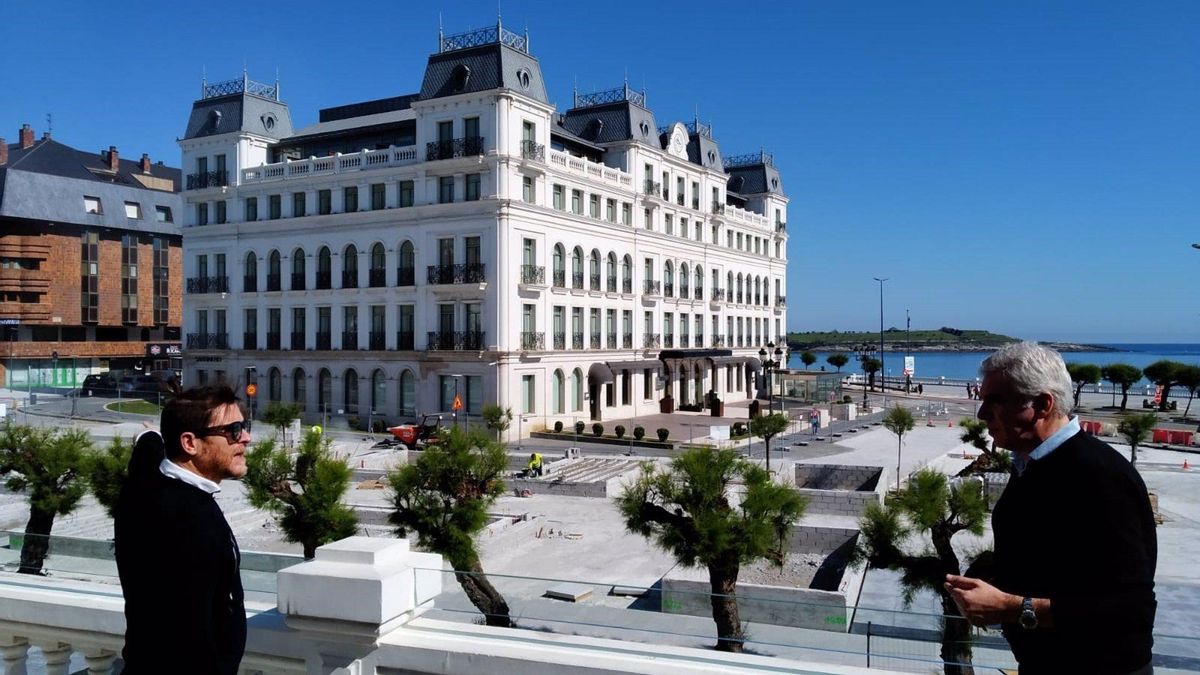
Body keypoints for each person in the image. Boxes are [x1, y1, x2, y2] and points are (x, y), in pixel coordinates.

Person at [945, 342, 1156, 674]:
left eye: (995, 401)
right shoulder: (1032, 464)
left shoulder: (1099, 475)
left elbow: (1131, 610)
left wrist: (1011, 607)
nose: (982, 413)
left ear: (1043, 405)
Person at [114, 384, 250, 674]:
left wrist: (148, 436)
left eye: (244, 426)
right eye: (233, 430)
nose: (246, 438)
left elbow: (147, 456)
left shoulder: (142, 490)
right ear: (190, 443)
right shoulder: (192, 521)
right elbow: (192, 635)